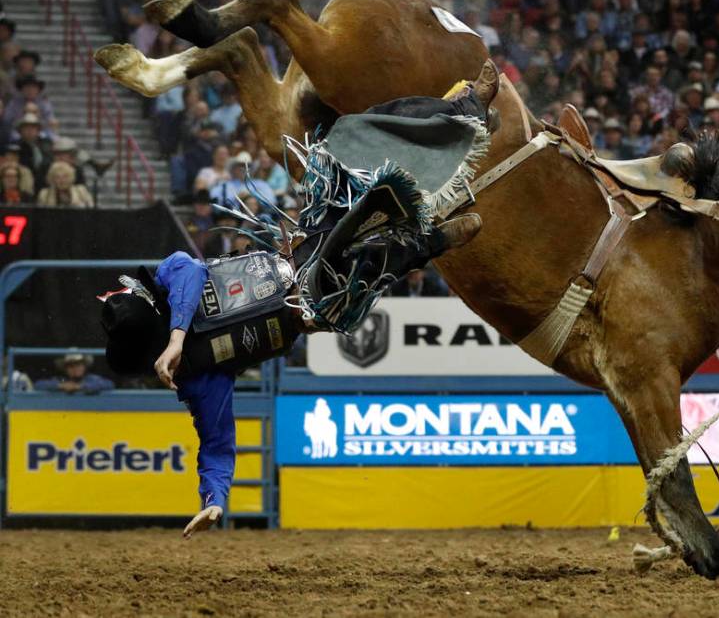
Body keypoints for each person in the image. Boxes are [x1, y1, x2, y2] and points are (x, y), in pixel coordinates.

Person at [100, 63, 500, 538]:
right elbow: (216, 443)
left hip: (297, 246)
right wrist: (214, 498)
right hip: (312, 306)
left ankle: (465, 106)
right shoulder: (198, 378)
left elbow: (188, 269)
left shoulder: (173, 281)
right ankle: (431, 241)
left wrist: (178, 336)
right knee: (369, 266)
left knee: (350, 140)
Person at [34, 352, 115, 394]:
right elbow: (39, 385)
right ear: (65, 369)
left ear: (84, 366)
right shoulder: (61, 380)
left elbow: (109, 384)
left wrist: (80, 387)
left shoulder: (91, 378)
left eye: (78, 364)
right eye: (71, 366)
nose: (75, 368)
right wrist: (61, 386)